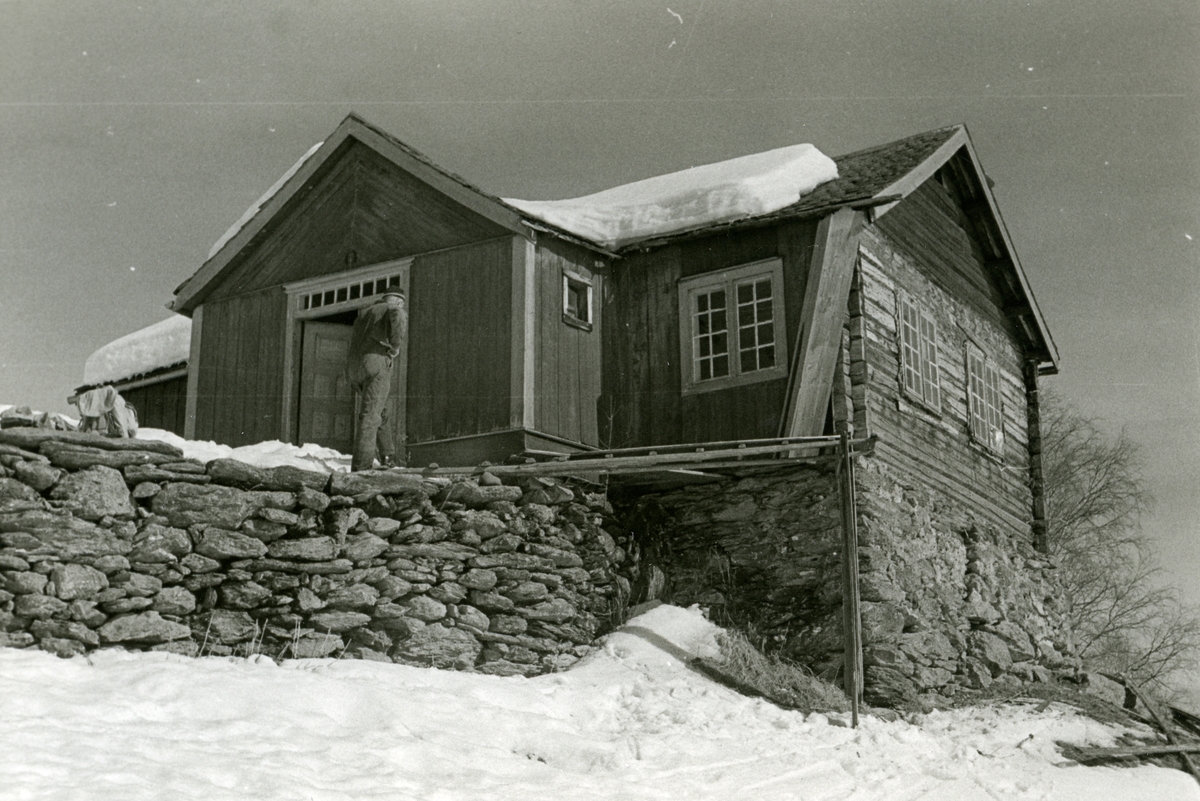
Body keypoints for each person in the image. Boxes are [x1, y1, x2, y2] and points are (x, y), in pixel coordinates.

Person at [347, 290, 406, 471]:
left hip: (355, 367)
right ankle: (361, 467)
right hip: (376, 362)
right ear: (398, 301)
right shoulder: (393, 308)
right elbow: (397, 316)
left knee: (380, 410)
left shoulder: (364, 313)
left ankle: (388, 456)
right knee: (371, 415)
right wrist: (395, 347)